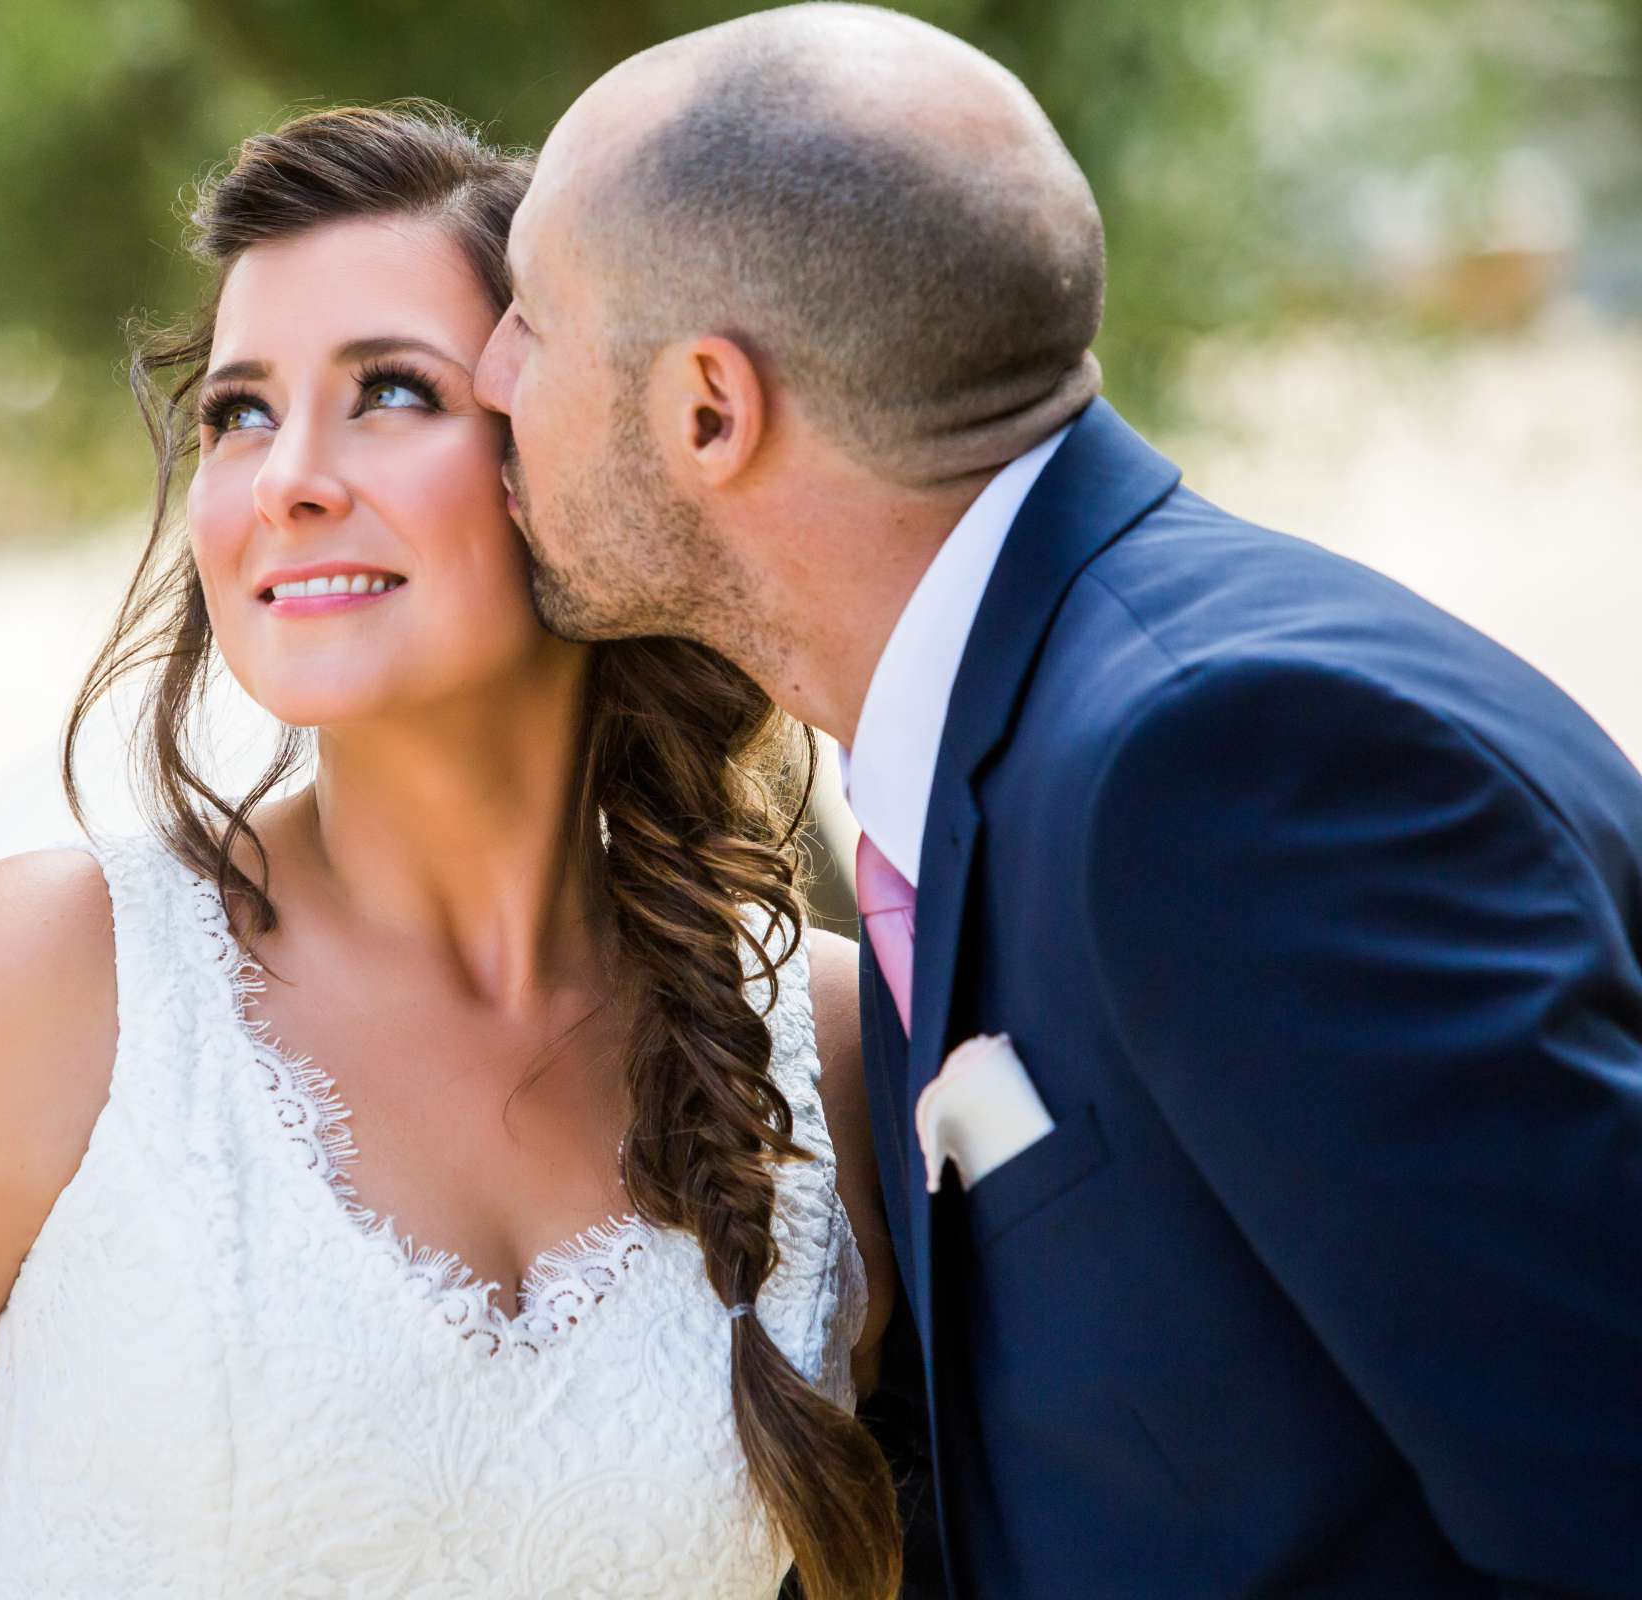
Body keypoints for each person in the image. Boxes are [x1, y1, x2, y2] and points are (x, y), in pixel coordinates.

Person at [0, 103, 906, 1600]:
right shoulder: (51, 985)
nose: (284, 478)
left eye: (389, 392)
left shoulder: (821, 1051)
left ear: (567, 462)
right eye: (239, 411)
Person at [473, 5, 1642, 1597]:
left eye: (529, 321)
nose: (485, 375)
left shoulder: (1230, 768)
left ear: (707, 412)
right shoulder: (1004, 749)